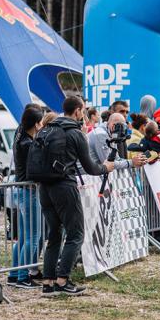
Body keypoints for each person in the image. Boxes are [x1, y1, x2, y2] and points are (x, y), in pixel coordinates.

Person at [37, 96, 115, 295]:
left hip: (44, 187)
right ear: (78, 111)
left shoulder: (47, 128)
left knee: (54, 235)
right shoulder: (75, 133)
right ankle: (62, 281)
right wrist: (105, 167)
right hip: (64, 186)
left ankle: (48, 283)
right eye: (84, 110)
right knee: (76, 234)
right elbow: (90, 167)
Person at [9, 105, 44, 289]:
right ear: (37, 124)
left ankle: (14, 274)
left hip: (21, 190)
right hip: (29, 191)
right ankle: (23, 276)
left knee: (23, 237)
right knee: (33, 236)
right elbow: (36, 169)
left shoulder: (20, 136)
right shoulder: (28, 144)